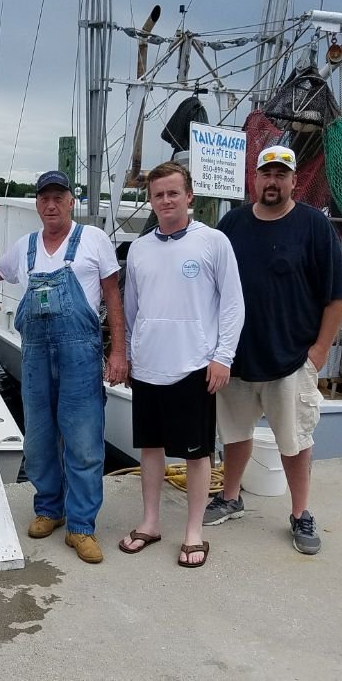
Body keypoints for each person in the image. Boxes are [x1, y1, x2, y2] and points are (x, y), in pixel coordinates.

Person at [0, 170, 128, 564]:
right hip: (36, 357)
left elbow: (113, 297)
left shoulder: (93, 240)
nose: (51, 204)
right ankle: (49, 509)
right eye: (45, 198)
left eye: (59, 197)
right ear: (38, 203)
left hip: (81, 356)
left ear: (71, 201)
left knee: (84, 442)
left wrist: (119, 353)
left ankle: (82, 526)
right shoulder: (23, 247)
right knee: (39, 441)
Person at [205, 145, 342, 555]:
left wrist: (320, 351)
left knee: (296, 440)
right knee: (234, 434)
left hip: (292, 360)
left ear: (293, 180)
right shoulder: (231, 224)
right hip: (236, 358)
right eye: (265, 174)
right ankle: (231, 496)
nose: (272, 182)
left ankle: (301, 513)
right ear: (255, 179)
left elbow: (337, 297)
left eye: (280, 175)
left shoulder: (315, 228)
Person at [118, 162, 244, 568]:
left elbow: (232, 305)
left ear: (190, 196)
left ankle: (194, 532)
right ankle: (151, 522)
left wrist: (222, 357)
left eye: (174, 193)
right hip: (148, 366)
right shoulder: (139, 249)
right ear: (150, 201)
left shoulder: (214, 242)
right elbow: (132, 308)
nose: (166, 200)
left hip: (194, 366)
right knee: (150, 449)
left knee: (197, 454)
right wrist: (131, 356)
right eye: (159, 195)